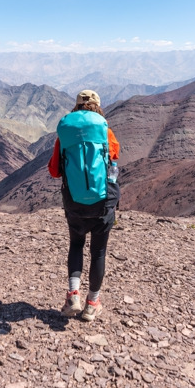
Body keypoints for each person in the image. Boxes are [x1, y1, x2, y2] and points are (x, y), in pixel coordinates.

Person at [48, 89, 120, 322]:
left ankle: (73, 296)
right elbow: (115, 155)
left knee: (76, 245)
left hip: (74, 203)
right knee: (98, 251)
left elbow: (54, 170)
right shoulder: (104, 131)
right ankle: (92, 304)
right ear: (98, 107)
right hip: (103, 202)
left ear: (76, 107)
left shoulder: (65, 136)